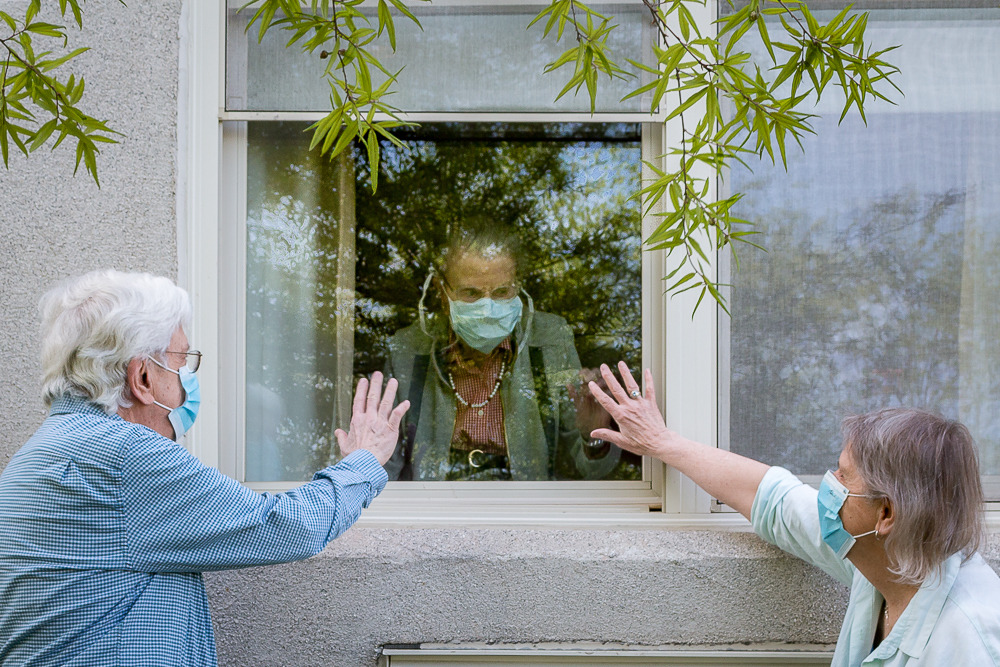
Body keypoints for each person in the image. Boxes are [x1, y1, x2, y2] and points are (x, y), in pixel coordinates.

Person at [0, 270, 409, 667]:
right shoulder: (125, 455)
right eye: (183, 362)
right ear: (142, 377)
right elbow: (287, 526)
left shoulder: (34, 455)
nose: (187, 384)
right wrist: (365, 459)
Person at [589, 361, 1000, 666]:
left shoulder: (970, 643)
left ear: (886, 513)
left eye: (843, 475)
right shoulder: (886, 560)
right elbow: (771, 497)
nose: (828, 485)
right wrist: (663, 443)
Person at [384, 223, 621, 481]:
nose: (488, 308)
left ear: (517, 289)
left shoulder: (550, 341)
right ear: (443, 292)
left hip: (524, 508)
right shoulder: (407, 351)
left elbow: (580, 472)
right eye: (471, 293)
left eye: (501, 292)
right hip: (434, 508)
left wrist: (593, 436)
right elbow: (384, 466)